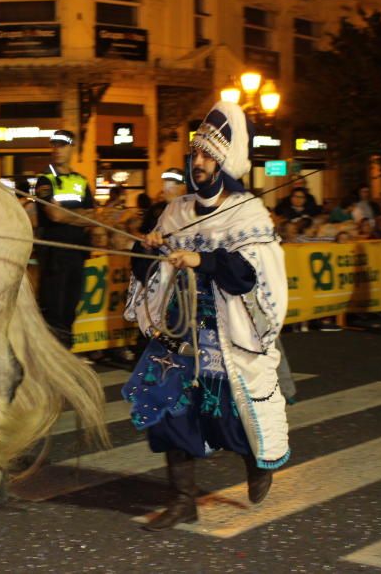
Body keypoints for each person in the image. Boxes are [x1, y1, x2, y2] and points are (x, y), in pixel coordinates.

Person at [123, 101, 289, 530]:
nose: (198, 163)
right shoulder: (176, 211)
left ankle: (256, 461)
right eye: (195, 154)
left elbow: (251, 276)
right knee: (170, 411)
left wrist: (201, 260)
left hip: (226, 336)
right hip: (180, 335)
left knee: (229, 417)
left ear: (225, 162)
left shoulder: (249, 212)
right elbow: (143, 270)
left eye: (208, 156)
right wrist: (148, 248)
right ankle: (182, 499)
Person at [35, 129, 95, 349]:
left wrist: (70, 216)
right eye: (55, 145)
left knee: (71, 305)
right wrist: (81, 215)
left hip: (77, 253)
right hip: (55, 255)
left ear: (72, 149)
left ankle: (66, 354)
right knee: (54, 308)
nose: (57, 149)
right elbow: (54, 214)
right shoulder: (45, 179)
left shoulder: (81, 180)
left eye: (62, 145)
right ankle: (53, 355)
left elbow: (94, 217)